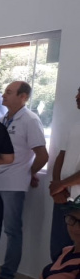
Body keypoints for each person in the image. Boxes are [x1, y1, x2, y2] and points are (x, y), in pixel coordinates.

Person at [0, 81, 49, 279]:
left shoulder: (30, 120)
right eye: (5, 92)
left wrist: (29, 173)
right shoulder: (3, 118)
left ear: (23, 97)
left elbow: (42, 155)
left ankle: (7, 275)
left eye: (9, 92)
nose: (4, 96)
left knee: (12, 230)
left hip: (15, 183)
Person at [48, 86, 80, 261]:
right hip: (64, 197)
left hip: (77, 199)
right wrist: (57, 186)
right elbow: (61, 155)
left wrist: (62, 184)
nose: (76, 96)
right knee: (59, 249)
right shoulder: (75, 125)